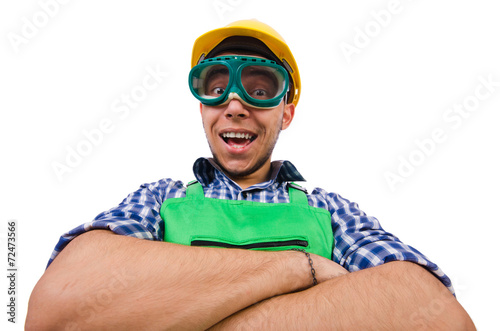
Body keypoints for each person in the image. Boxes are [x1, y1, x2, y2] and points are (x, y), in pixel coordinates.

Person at [26, 19, 475, 330]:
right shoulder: (158, 200)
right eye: (216, 88)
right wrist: (302, 268)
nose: (236, 104)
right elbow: (57, 308)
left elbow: (435, 315)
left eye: (260, 90)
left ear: (287, 112)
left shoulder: (332, 210)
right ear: (202, 108)